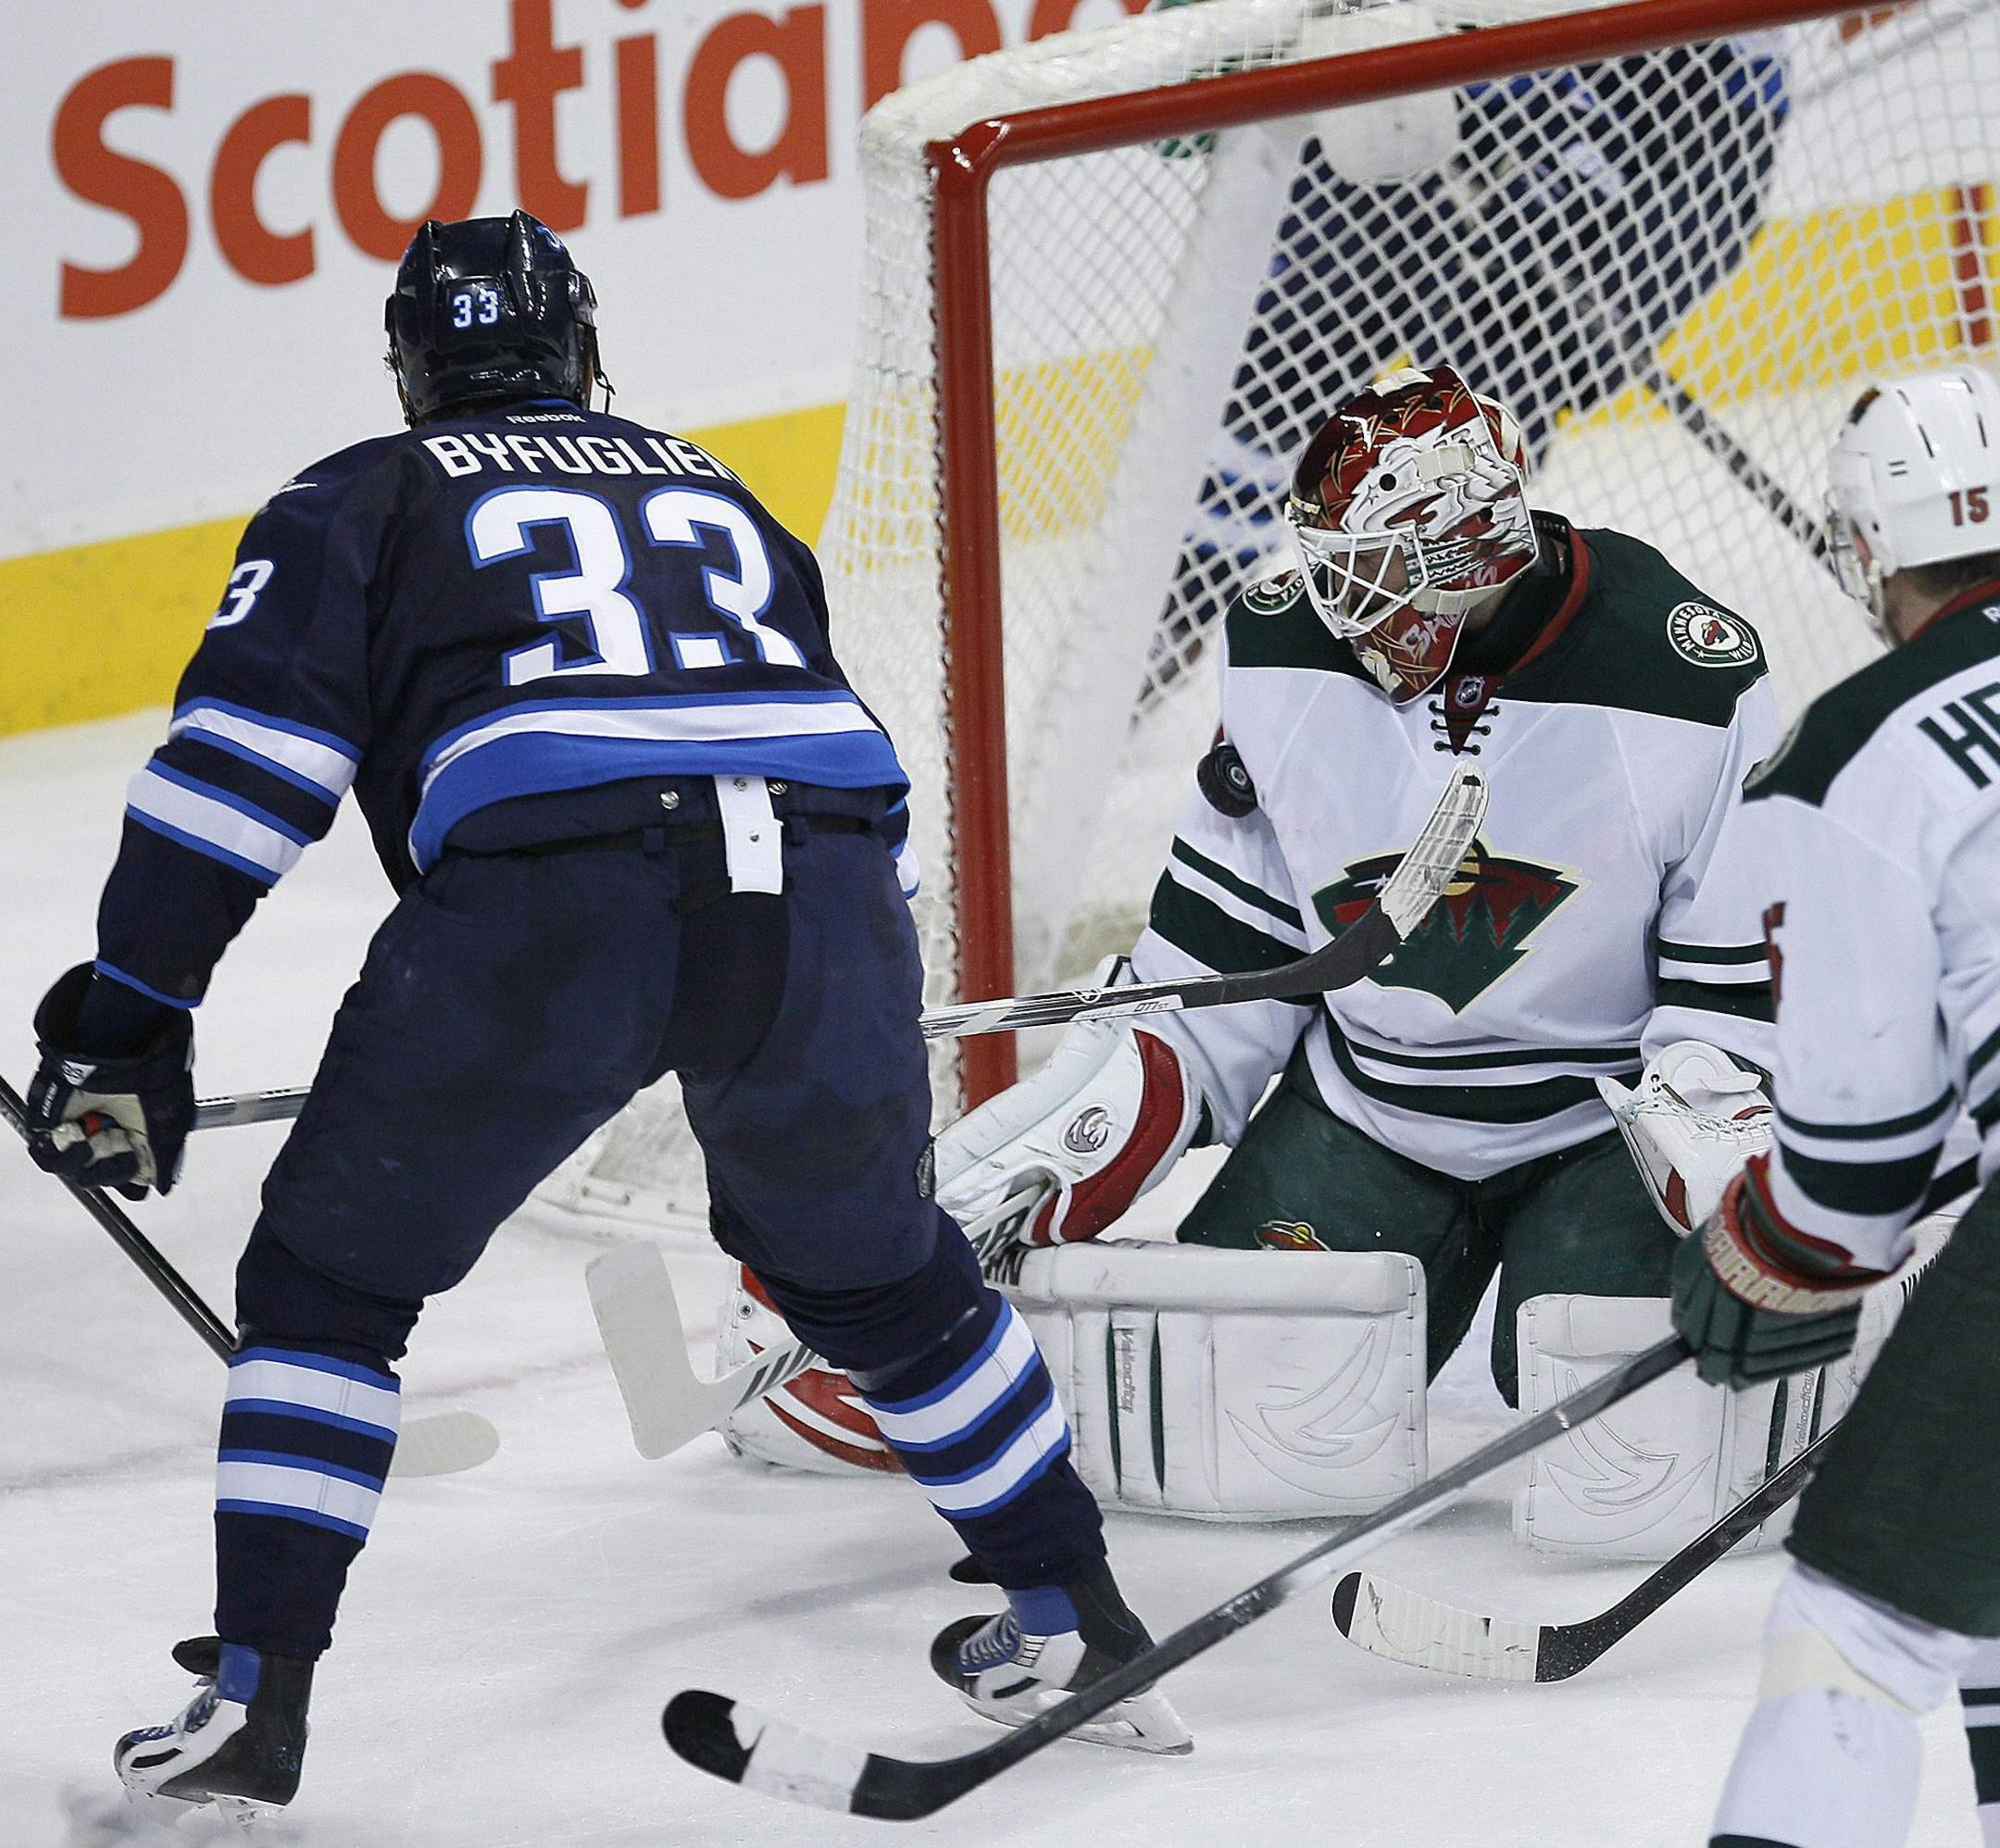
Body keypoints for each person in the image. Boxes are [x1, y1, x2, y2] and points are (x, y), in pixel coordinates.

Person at [22, 211, 1184, 1823]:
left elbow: (237, 784)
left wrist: (130, 1013)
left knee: (328, 1282)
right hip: (830, 892)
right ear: (580, 353)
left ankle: (254, 1702)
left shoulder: (359, 492)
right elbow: (838, 763)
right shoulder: (717, 487)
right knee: (880, 1270)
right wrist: (825, 1004)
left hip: (556, 899)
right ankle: (1078, 1610)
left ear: (415, 367)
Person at [725, 364, 1818, 1562]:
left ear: (1473, 555)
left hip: (1594, 1129)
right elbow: (1212, 982)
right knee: (1250, 1411)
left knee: (1625, 1446)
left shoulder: (1684, 680)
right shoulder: (1286, 646)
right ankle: (908, 1352)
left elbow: (1730, 1016)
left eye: (1377, 572)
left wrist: (1742, 1201)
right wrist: (1025, 1167)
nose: (1338, 603)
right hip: (1372, 1115)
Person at [1670, 366, 2000, 1848]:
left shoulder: (1865, 740)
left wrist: (1767, 1246)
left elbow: (1857, 1172)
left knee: (1862, 1617)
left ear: (1865, 550)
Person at [1153, 26, 1792, 694]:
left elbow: (1710, 195)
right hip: (1390, 129)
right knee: (1281, 376)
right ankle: (1183, 609)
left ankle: (1455, 653)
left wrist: (1596, 299)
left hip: (1598, 195)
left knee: (1466, 448)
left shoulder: (1718, 82)